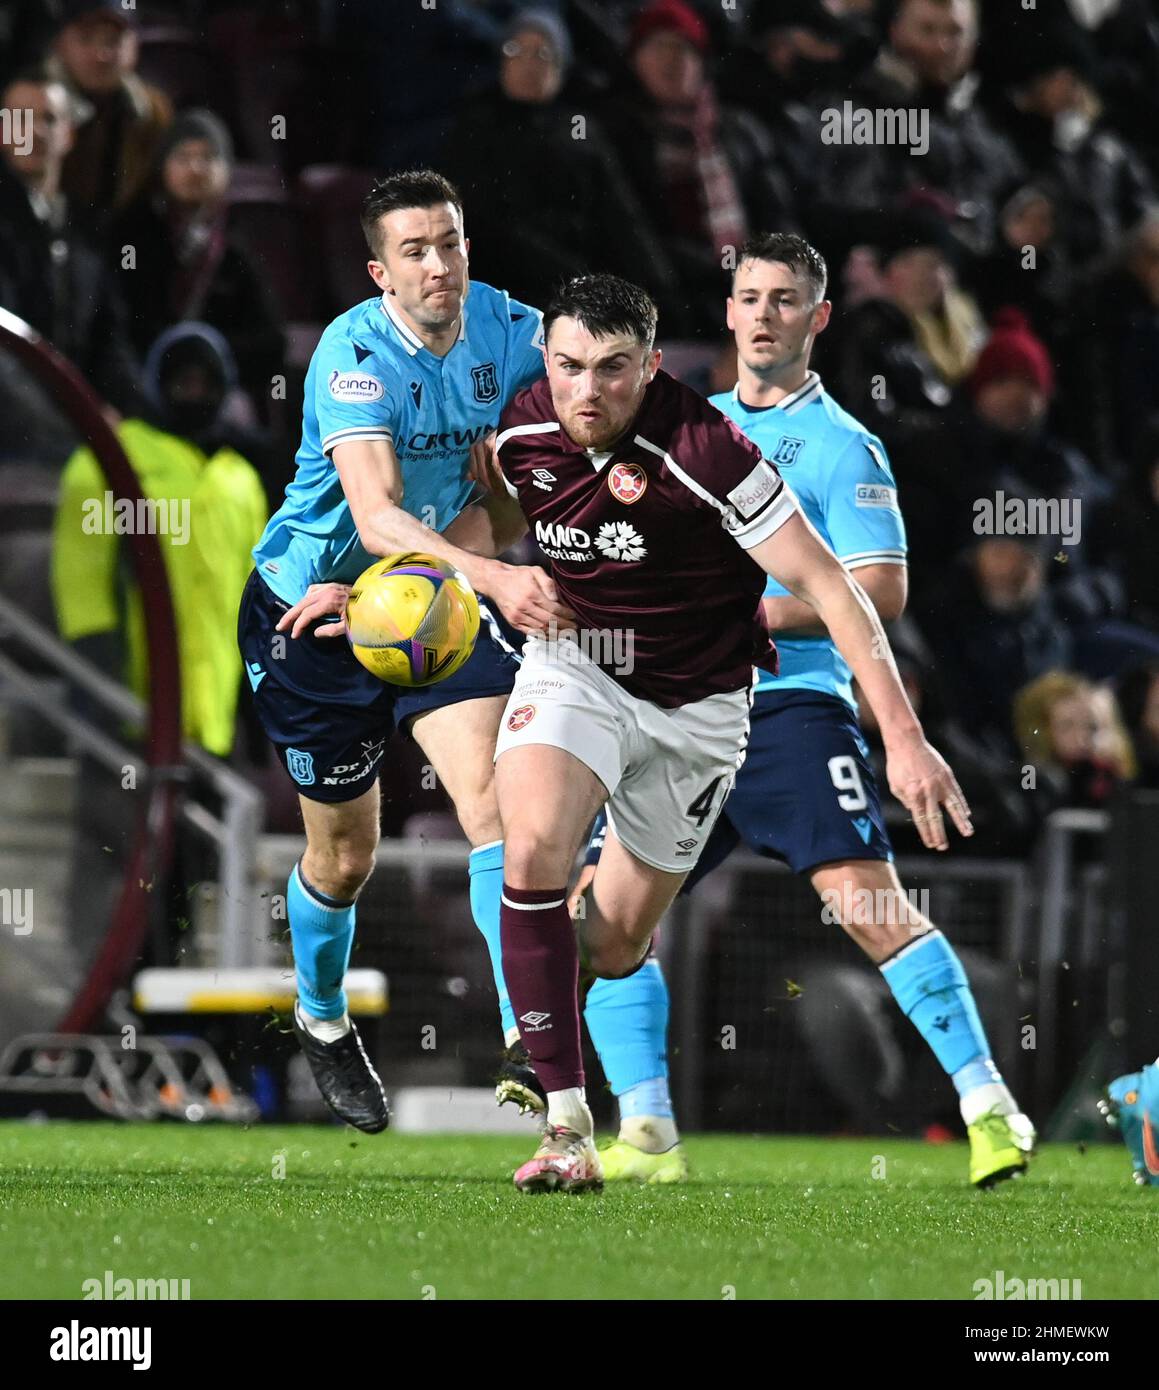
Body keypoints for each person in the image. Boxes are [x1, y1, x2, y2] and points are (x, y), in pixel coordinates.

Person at [486, 271, 1010, 1194]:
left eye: (611, 370)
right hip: (583, 671)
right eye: (568, 366)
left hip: (733, 711)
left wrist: (903, 735)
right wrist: (475, 577)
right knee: (529, 845)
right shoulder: (525, 425)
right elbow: (486, 503)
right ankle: (591, 1122)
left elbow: (852, 590)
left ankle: (987, 1102)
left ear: (649, 366)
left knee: (613, 944)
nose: (586, 391)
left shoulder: (727, 449)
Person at [237, 169, 575, 1134]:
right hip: (313, 616)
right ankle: (322, 1014)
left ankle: (529, 1034)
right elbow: (378, 512)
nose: (439, 266)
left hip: (430, 599)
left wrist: (498, 515)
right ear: (382, 272)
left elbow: (514, 493)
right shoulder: (352, 355)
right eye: (416, 252)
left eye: (452, 242)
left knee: (497, 808)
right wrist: (501, 576)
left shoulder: (515, 336)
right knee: (345, 859)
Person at [110, 109, 285, 413]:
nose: (195, 169)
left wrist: (208, 358)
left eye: (208, 158)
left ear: (227, 171)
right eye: (182, 157)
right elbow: (118, 330)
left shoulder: (236, 246)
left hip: (217, 393)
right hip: (140, 389)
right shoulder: (132, 236)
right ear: (162, 168)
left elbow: (270, 341)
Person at [0, 69, 141, 420]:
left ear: (68, 134)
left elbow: (110, 342)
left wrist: (128, 412)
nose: (33, 131)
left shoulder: (88, 228)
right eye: (20, 119)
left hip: (81, 423)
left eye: (48, 119)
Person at [44, 0, 171, 230]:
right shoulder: (27, 105)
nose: (101, 54)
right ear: (60, 43)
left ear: (135, 47)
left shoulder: (154, 112)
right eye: (86, 39)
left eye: (114, 41)